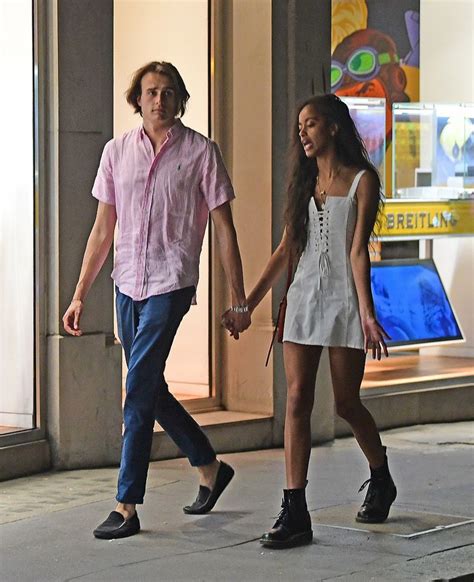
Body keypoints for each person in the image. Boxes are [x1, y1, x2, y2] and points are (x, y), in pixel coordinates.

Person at [63, 61, 251, 540]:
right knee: (150, 387)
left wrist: (239, 297)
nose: (159, 100)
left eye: (169, 92)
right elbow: (103, 228)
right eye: (151, 92)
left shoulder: (202, 153)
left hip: (172, 282)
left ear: (180, 99)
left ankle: (126, 504)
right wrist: (80, 294)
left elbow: (224, 228)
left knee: (138, 386)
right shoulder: (116, 152)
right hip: (127, 281)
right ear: (137, 99)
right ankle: (209, 465)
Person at [225, 94, 396, 549]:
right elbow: (286, 250)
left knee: (346, 404)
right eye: (300, 126)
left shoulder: (363, 181)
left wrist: (367, 314)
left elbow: (358, 252)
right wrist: (248, 305)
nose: (302, 133)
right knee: (297, 399)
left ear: (334, 128)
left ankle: (381, 475)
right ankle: (294, 509)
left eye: (311, 124)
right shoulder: (302, 184)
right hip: (301, 300)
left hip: (343, 301)